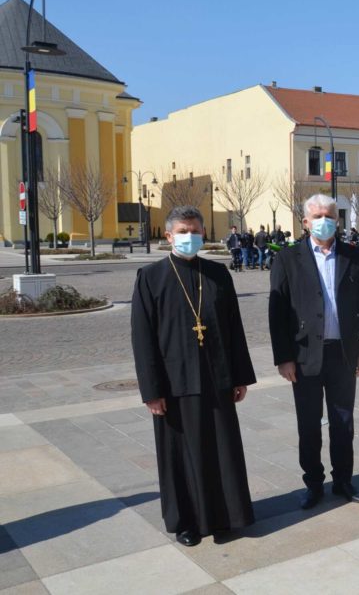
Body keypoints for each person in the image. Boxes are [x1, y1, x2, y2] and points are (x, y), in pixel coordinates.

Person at [130, 205, 255, 547]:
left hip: (217, 378)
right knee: (181, 455)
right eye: (183, 231)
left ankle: (227, 516)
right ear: (168, 236)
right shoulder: (150, 278)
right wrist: (151, 391)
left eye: (195, 230)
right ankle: (187, 522)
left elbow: (234, 330)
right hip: (173, 385)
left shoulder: (218, 275)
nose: (189, 237)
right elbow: (143, 340)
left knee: (221, 450)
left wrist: (240, 375)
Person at [269, 194, 359, 509]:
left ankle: (343, 480)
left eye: (329, 215)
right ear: (304, 222)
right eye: (316, 216)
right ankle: (313, 484)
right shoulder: (288, 259)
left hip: (344, 354)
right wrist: (283, 358)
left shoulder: (355, 256)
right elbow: (277, 314)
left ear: (337, 219)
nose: (323, 220)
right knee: (309, 423)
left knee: (343, 422)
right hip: (304, 357)